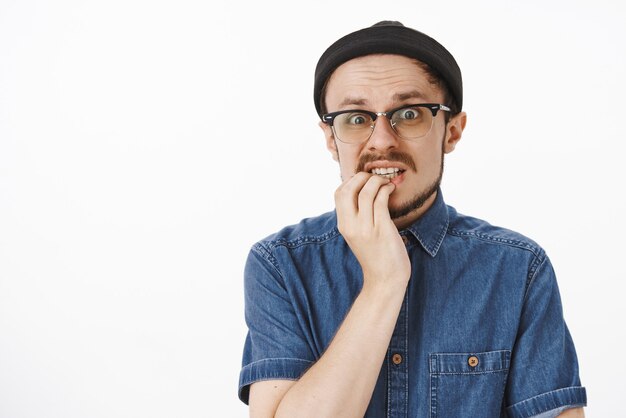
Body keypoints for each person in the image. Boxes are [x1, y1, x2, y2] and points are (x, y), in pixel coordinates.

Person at [238, 21, 586, 418]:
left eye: (409, 114)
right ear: (331, 139)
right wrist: (383, 282)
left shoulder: (518, 268)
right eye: (356, 118)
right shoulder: (280, 264)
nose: (382, 139)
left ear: (451, 131)